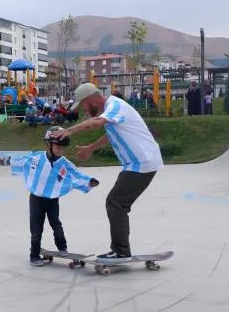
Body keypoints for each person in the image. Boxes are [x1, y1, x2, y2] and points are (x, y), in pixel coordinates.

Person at [49, 82, 163, 261]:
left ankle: (121, 251)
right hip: (137, 164)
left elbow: (96, 123)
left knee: (115, 203)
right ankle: (120, 250)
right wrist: (91, 148)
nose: (85, 110)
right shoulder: (112, 112)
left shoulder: (114, 105)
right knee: (118, 204)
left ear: (91, 99)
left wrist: (69, 130)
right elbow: (110, 134)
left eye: (84, 106)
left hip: (142, 162)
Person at [2, 126, 99, 265]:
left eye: (63, 147)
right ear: (49, 144)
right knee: (36, 227)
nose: (60, 149)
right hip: (36, 199)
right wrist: (6, 161)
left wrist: (90, 181)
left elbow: (77, 175)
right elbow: (21, 160)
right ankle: (34, 257)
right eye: (58, 146)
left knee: (56, 224)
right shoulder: (36, 158)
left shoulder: (65, 164)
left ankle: (63, 249)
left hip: (53, 200)